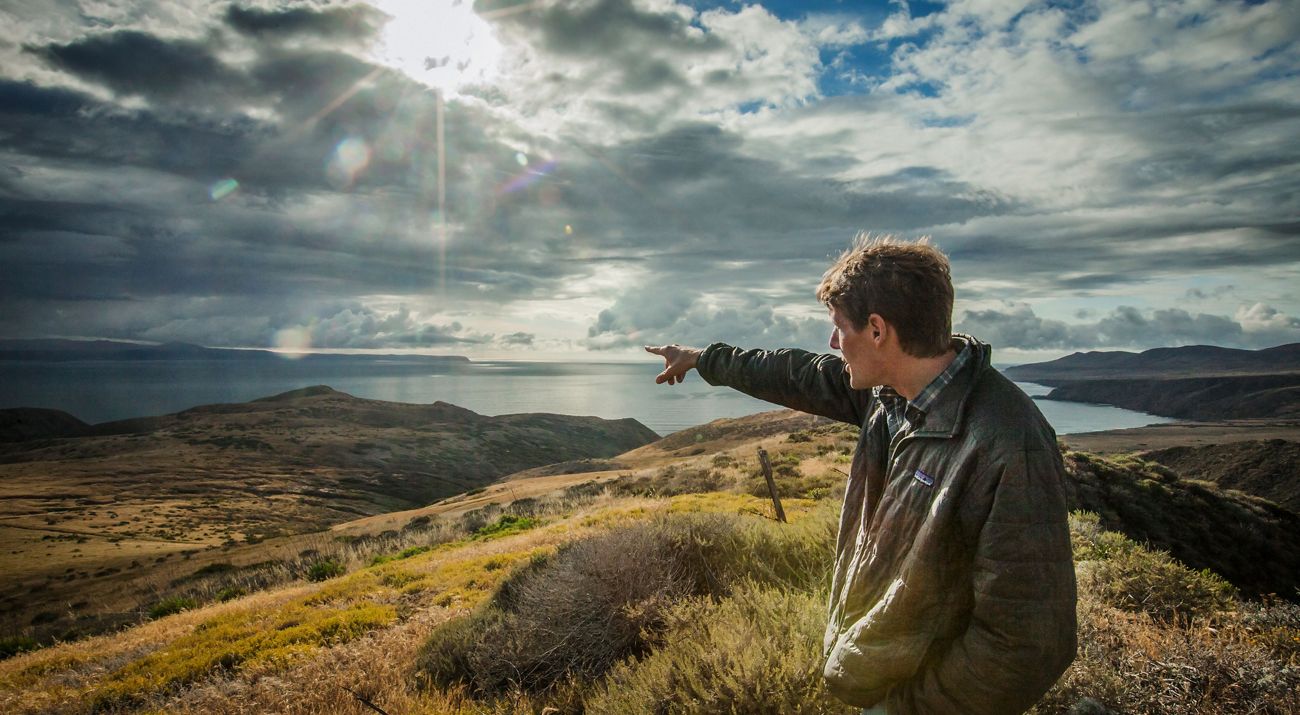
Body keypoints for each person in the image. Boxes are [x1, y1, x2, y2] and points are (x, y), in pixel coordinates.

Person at [645, 234, 1077, 715]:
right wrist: (702, 358)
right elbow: (795, 373)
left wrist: (906, 709)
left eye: (838, 328)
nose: (832, 343)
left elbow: (1027, 644)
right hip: (884, 681)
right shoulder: (889, 395)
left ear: (877, 330)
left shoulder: (1008, 441)